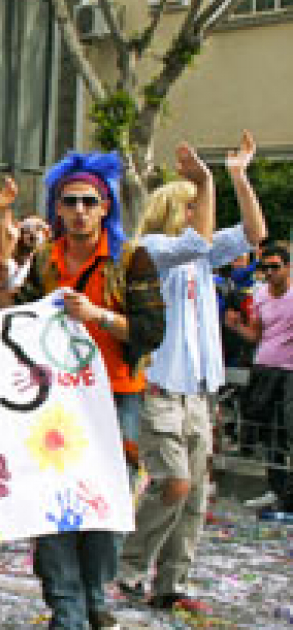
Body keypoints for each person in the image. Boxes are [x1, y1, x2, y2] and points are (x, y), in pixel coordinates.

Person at [0, 151, 166, 630]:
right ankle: (67, 607)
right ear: (58, 209)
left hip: (117, 396)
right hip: (55, 401)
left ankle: (94, 595)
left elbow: (151, 331)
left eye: (89, 201)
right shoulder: (46, 261)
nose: (80, 211)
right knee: (54, 501)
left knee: (108, 503)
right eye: (70, 202)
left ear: (105, 207)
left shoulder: (131, 259)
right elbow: (18, 324)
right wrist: (0, 291)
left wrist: (98, 316)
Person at [116, 134, 267, 613]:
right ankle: (129, 567)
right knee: (173, 483)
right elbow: (197, 240)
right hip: (160, 388)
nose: (202, 212)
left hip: (199, 391)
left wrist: (237, 177)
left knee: (196, 494)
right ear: (172, 211)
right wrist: (205, 182)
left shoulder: (203, 257)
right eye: (193, 204)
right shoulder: (152, 250)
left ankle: (172, 582)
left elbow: (255, 233)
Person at [226, 243, 293, 513]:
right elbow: (255, 335)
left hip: (289, 372)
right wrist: (236, 326)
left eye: (275, 267)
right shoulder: (260, 294)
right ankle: (277, 491)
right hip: (264, 368)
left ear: (288, 267)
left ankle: (288, 495)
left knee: (288, 431)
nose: (270, 272)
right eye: (265, 267)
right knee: (268, 433)